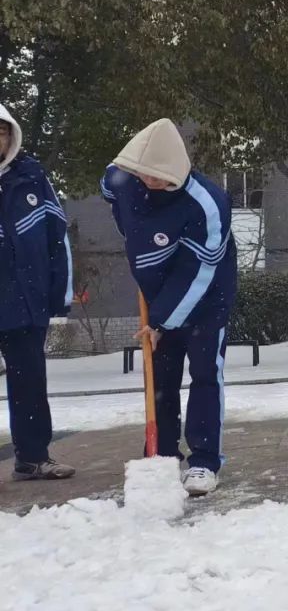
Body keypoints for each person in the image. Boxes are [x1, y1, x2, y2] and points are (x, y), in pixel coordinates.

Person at [101, 119, 237, 496]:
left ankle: (205, 461)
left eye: (160, 179)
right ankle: (161, 455)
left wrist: (161, 322)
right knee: (159, 379)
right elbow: (110, 190)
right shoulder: (124, 180)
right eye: (146, 176)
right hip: (157, 293)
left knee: (206, 374)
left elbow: (197, 271)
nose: (151, 183)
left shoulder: (208, 204)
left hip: (207, 296)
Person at [0, 104, 76, 481]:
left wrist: (58, 296)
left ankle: (32, 457)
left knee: (29, 382)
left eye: (1, 132)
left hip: (24, 302)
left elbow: (56, 237)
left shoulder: (32, 178)